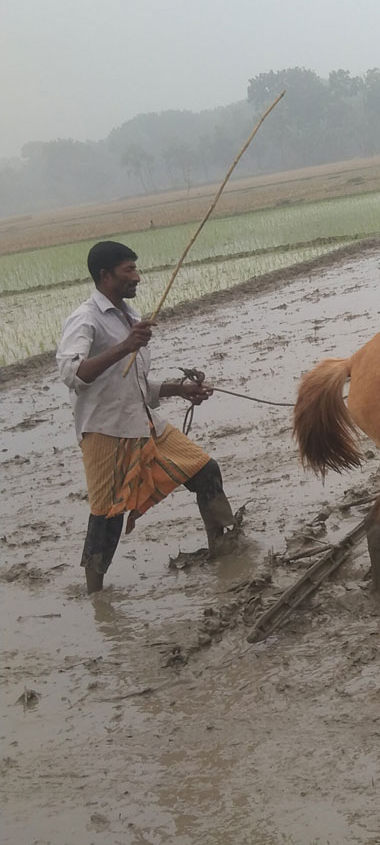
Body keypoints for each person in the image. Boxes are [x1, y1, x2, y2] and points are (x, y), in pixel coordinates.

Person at [56, 240, 243, 593]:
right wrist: (125, 346)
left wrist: (180, 389)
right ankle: (95, 594)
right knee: (107, 514)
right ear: (105, 275)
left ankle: (225, 548)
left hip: (145, 425)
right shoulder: (85, 319)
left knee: (206, 471)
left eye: (136, 269)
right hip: (108, 432)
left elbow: (137, 385)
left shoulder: (132, 317)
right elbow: (73, 374)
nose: (137, 277)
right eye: (129, 271)